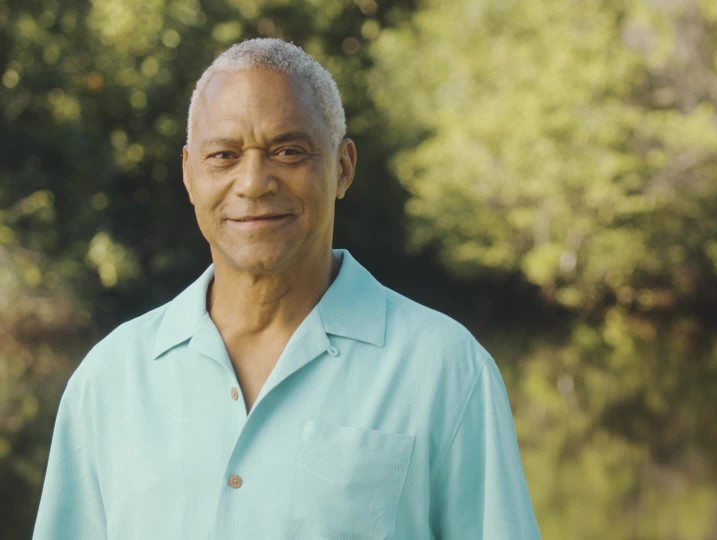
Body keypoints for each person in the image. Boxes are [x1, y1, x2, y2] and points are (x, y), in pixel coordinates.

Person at [33, 37, 540, 539]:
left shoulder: (446, 370)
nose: (253, 182)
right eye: (224, 156)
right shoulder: (110, 378)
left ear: (342, 168)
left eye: (289, 151)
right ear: (189, 174)